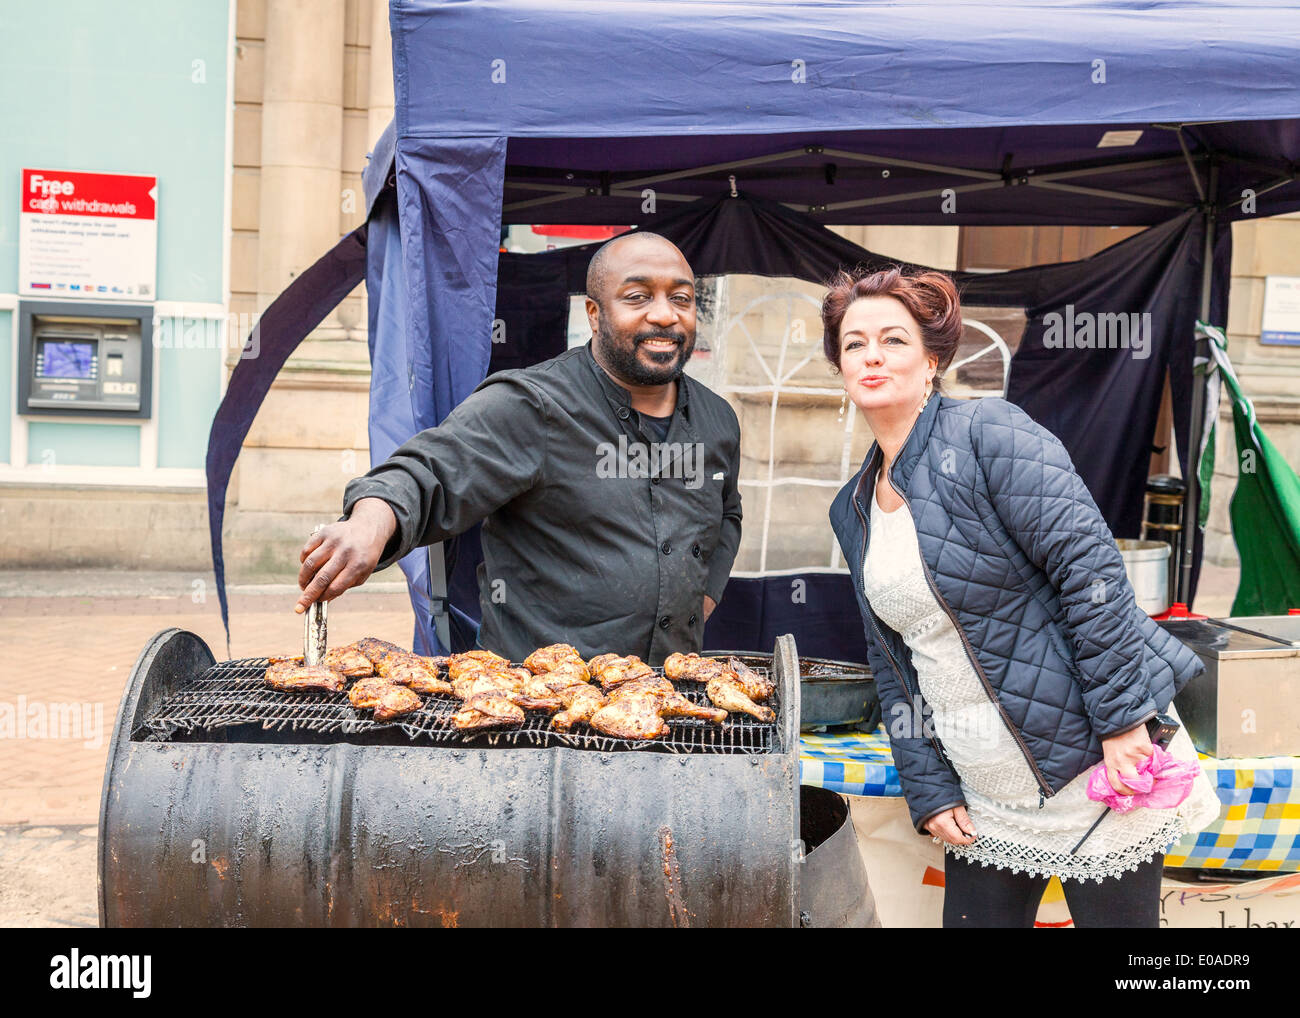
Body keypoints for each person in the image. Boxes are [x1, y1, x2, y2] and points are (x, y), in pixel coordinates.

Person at [823, 266, 1220, 928]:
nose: (871, 354)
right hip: (984, 787)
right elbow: (891, 661)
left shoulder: (988, 432)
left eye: (893, 339)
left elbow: (1088, 570)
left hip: (1093, 761)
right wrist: (930, 787)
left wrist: (1123, 722)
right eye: (853, 342)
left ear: (932, 359)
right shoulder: (853, 506)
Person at [294, 231, 742, 665]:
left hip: (670, 702)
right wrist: (371, 520)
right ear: (594, 313)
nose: (665, 315)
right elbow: (431, 469)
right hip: (540, 713)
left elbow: (727, 512)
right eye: (638, 297)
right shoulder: (534, 406)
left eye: (680, 298)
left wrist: (702, 594)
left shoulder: (716, 419)